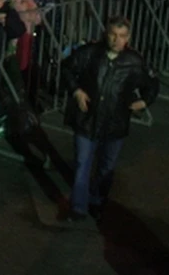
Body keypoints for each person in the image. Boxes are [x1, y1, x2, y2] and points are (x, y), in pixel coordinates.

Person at [63, 16, 159, 221]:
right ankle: (78, 207)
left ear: (128, 38)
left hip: (115, 123)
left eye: (122, 36)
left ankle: (97, 200)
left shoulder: (134, 61)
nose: (117, 40)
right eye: (113, 35)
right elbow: (67, 68)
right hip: (88, 119)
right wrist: (76, 91)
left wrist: (144, 102)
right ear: (106, 34)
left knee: (106, 167)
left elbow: (152, 84)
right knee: (82, 164)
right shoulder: (89, 53)